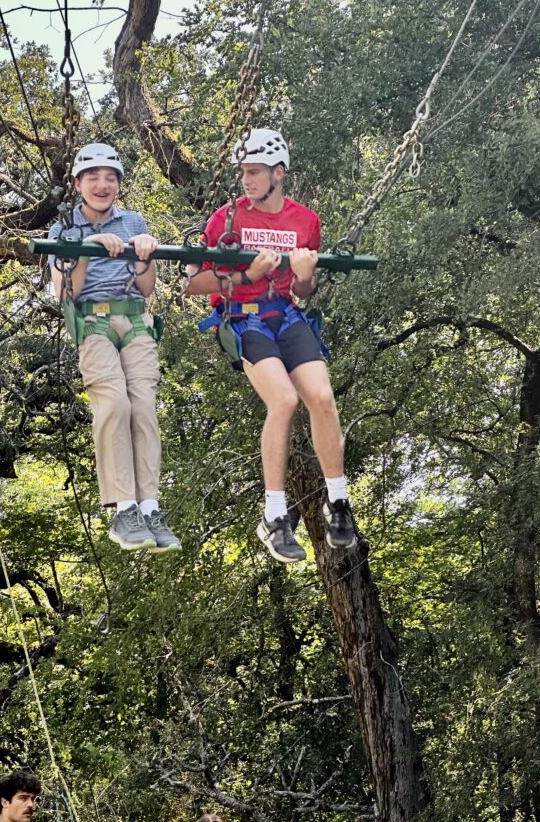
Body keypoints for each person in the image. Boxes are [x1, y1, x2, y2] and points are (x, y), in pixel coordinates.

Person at [185, 128, 357, 563]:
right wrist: (247, 276)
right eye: (244, 172)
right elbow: (195, 284)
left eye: (256, 172)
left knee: (322, 396)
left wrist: (304, 274)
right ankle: (274, 514)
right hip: (243, 317)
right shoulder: (227, 219)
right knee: (283, 400)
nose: (247, 180)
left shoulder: (305, 221)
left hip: (286, 314)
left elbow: (303, 290)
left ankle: (338, 501)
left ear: (278, 173)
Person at [48, 142, 180, 553]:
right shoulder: (64, 229)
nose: (102, 185)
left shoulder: (133, 221)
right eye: (93, 178)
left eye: (110, 178)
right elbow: (64, 292)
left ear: (119, 184)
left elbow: (147, 288)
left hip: (134, 317)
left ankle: (150, 507)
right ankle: (125, 509)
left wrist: (145, 255)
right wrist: (87, 249)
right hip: (93, 321)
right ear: (78, 184)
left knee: (143, 408)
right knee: (115, 404)